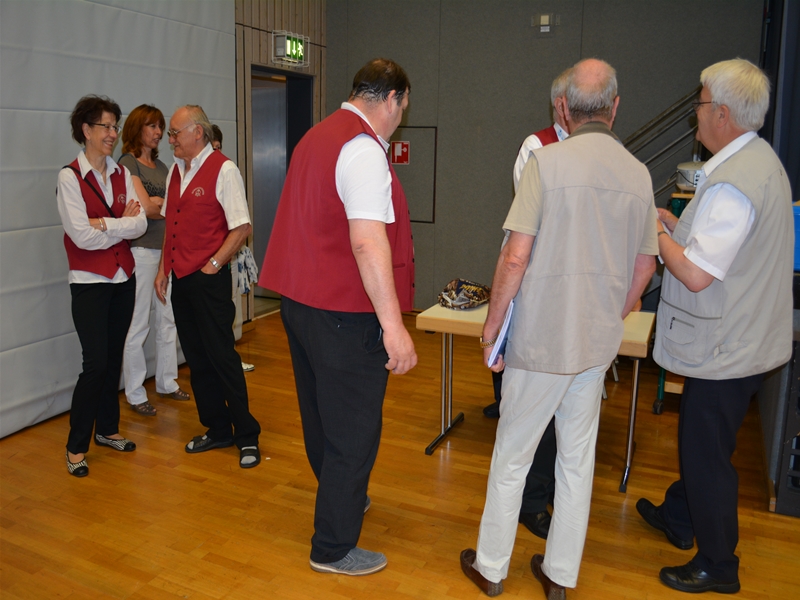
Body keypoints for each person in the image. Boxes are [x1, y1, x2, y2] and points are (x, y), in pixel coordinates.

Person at [460, 59, 658, 598]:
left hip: (542, 343)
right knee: (576, 461)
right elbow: (645, 266)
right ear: (615, 108)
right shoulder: (639, 174)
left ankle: (491, 567)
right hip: (595, 345)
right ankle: (559, 575)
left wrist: (491, 329)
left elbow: (515, 256)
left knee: (513, 456)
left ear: (565, 109)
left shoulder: (544, 163)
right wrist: (610, 312)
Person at [637, 58, 793, 595]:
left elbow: (697, 273)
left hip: (728, 345)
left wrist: (653, 232)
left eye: (700, 104)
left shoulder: (733, 184)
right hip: (747, 335)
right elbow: (720, 248)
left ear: (722, 113)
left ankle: (718, 564)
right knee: (707, 442)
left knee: (705, 452)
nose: (695, 115)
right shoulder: (755, 162)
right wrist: (674, 224)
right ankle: (681, 516)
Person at [260, 58, 416, 576]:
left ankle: (341, 499)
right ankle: (331, 546)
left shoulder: (317, 136)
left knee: (322, 418)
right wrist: (394, 328)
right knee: (353, 431)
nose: (401, 117)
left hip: (301, 306)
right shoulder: (364, 148)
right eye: (403, 107)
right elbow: (368, 242)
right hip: (344, 315)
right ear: (391, 98)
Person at [483, 68, 572, 543]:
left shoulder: (596, 152)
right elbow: (538, 230)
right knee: (523, 414)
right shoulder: (537, 148)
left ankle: (542, 493)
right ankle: (528, 503)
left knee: (561, 414)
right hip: (534, 294)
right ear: (562, 106)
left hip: (568, 302)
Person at [155, 105, 262, 469]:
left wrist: (213, 265)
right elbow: (171, 224)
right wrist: (163, 269)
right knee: (197, 358)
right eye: (170, 134)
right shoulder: (175, 171)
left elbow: (241, 226)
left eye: (175, 133)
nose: (170, 140)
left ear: (197, 132)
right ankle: (218, 429)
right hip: (180, 278)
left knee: (222, 357)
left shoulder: (224, 169)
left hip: (208, 279)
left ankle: (247, 434)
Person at [57, 95, 147, 477]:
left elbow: (141, 223)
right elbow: (80, 235)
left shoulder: (122, 173)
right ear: (86, 130)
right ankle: (75, 446)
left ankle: (107, 430)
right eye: (105, 126)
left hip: (124, 278)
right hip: (90, 282)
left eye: (115, 126)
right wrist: (119, 224)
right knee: (95, 363)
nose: (113, 133)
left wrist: (104, 224)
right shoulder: (70, 177)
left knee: (112, 359)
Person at [119, 104, 189, 417]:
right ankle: (135, 393)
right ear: (137, 128)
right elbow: (145, 207)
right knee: (138, 323)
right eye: (152, 126)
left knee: (167, 318)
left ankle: (166, 382)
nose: (159, 132)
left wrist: (160, 205)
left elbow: (176, 208)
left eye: (161, 126)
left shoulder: (162, 166)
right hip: (142, 252)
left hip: (166, 253)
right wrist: (160, 204)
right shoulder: (127, 163)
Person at [210, 122, 255, 373]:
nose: (215, 153)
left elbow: (241, 224)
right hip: (210, 261)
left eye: (218, 147)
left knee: (229, 309)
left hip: (228, 254)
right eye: (211, 148)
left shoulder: (227, 171)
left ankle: (230, 359)